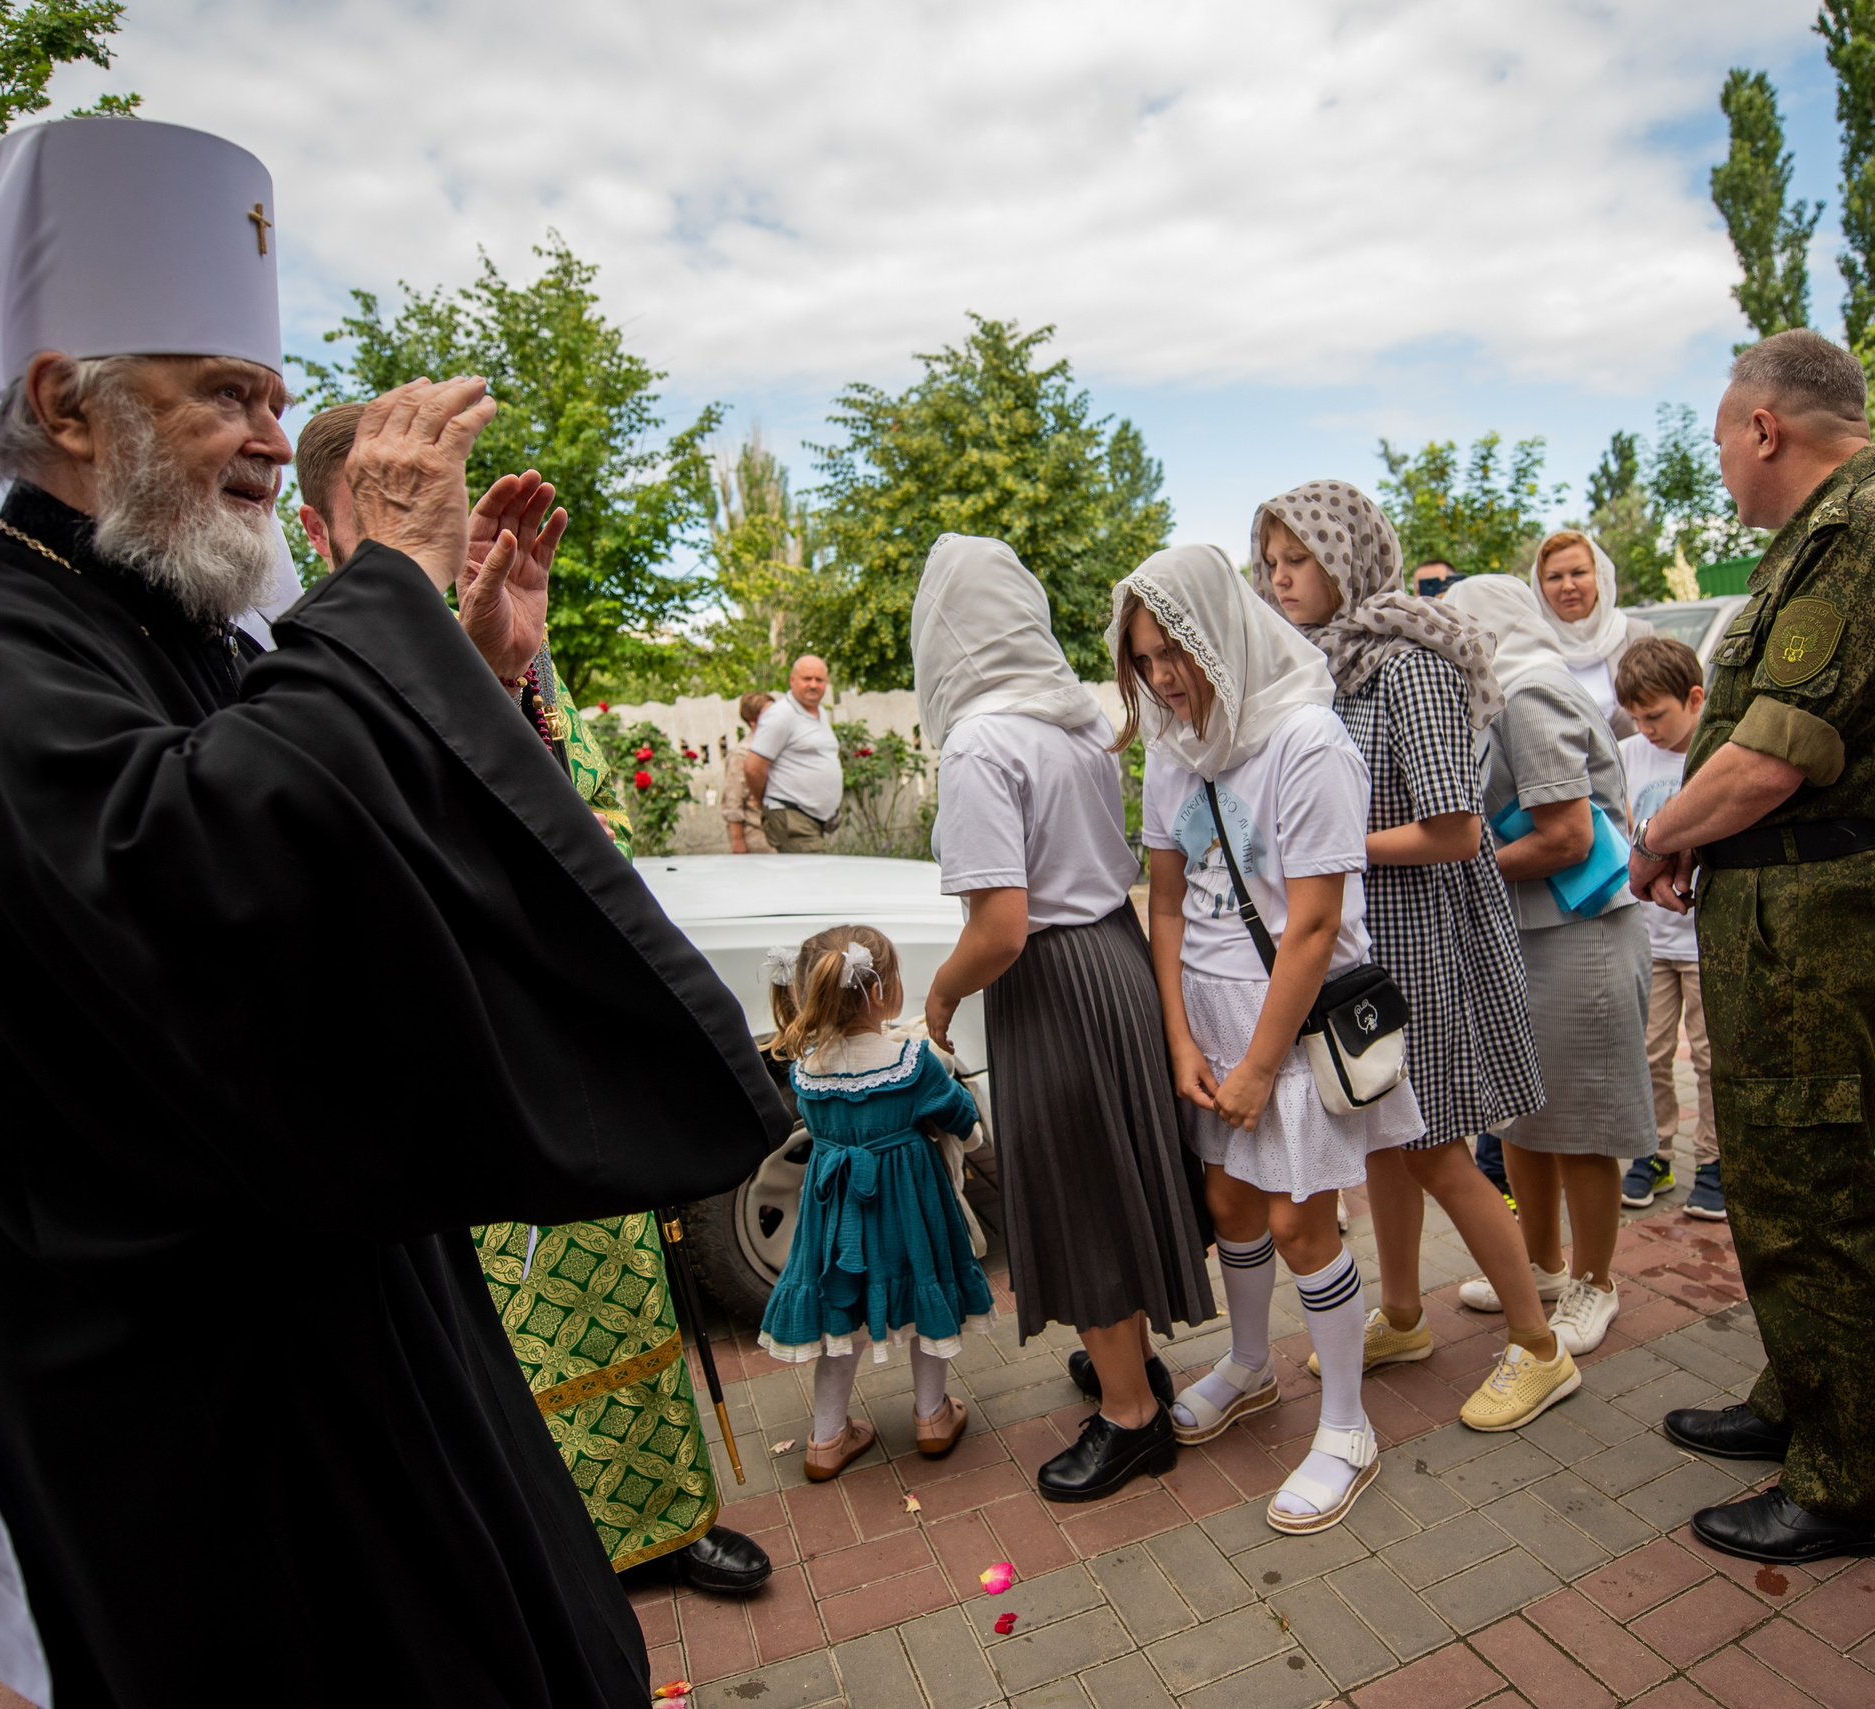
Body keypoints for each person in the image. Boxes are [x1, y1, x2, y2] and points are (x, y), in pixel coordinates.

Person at [0, 118, 785, 1705]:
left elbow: (351, 857)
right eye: (226, 394)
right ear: (65, 403)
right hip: (202, 1391)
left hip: (357, 1300)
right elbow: (213, 891)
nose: (276, 441)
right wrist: (387, 586)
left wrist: (462, 664)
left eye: (278, 397)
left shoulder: (180, 621)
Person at [292, 403, 777, 1599]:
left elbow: (585, 832)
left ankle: (662, 1519)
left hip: (566, 1049)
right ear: (319, 529)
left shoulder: (500, 647)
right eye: (388, 508)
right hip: (456, 1076)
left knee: (625, 1303)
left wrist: (505, 681)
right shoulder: (306, 673)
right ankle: (554, 1552)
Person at [1627, 329, 1875, 1566]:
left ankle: (1843, 1481)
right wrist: (1694, 836)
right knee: (1776, 1175)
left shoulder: (1872, 524)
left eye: (1724, 441)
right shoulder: (1831, 532)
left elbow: (1774, 755)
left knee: (1811, 1187)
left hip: (1804, 900)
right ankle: (1798, 1393)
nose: (1722, 465)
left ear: (1763, 426)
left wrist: (1662, 832)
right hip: (1777, 893)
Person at [1248, 484, 1571, 1431]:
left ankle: (1539, 1347)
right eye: (1271, 563)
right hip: (1366, 938)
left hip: (1424, 934)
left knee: (1432, 1145)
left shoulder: (1408, 664)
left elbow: (1457, 829)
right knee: (1382, 1135)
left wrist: (1331, 849)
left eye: (1298, 560)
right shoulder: (1325, 666)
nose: (1280, 579)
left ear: (1346, 557)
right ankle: (1401, 1314)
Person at [1118, 544, 1426, 1534]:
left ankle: (1346, 1425)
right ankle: (1250, 1363)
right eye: (1143, 658)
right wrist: (1179, 1037)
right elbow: (1167, 903)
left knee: (1301, 1222)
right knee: (1229, 1202)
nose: (1163, 675)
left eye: (1174, 649)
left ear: (1219, 631)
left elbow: (1314, 921)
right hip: (1208, 1017)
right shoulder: (1173, 746)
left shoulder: (1305, 737)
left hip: (1287, 1018)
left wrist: (1258, 1064)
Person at [911, 535, 1216, 1501]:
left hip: (1051, 982)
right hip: (1115, 957)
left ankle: (1131, 1417)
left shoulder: (979, 744)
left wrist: (941, 993)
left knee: (1080, 1190)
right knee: (1116, 1172)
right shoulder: (1077, 721)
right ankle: (1131, 1360)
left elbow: (1000, 927)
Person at [1444, 574, 1653, 1358]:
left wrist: (1461, 870)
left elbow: (1567, 837)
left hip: (1579, 932)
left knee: (1582, 1121)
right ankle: (1542, 1265)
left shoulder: (1530, 692)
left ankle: (1595, 1281)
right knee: (1522, 1113)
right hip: (1530, 929)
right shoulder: (1502, 693)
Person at [758, 926, 994, 1481]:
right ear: (881, 991)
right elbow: (966, 1126)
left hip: (836, 1216)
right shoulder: (912, 1061)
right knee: (925, 1295)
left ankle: (826, 1439)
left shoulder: (807, 1069)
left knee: (840, 1315)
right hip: (909, 1213)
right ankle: (932, 1417)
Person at [1612, 636, 1723, 1221]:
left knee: (1710, 1057)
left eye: (1655, 715)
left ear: (1695, 699)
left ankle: (1714, 1161)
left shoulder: (1717, 754)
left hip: (1706, 941)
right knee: (1650, 1052)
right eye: (1636, 718)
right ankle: (1654, 1152)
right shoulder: (1627, 755)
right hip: (1649, 939)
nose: (1646, 729)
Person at [1531, 529, 1656, 738]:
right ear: (1539, 586)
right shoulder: (1534, 647)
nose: (1568, 586)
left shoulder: (1637, 636)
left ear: (1600, 576)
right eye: (1554, 577)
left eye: (1578, 573)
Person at [745, 654, 843, 852]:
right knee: (813, 869)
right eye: (807, 678)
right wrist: (762, 802)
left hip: (813, 818)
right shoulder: (780, 715)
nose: (813, 685)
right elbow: (753, 768)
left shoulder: (820, 712)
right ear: (792, 680)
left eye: (819, 680)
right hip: (791, 815)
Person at [723, 691, 776, 853]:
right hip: (758, 837)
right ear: (753, 721)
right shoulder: (742, 754)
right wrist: (737, 840)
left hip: (779, 833)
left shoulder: (777, 746)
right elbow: (733, 801)